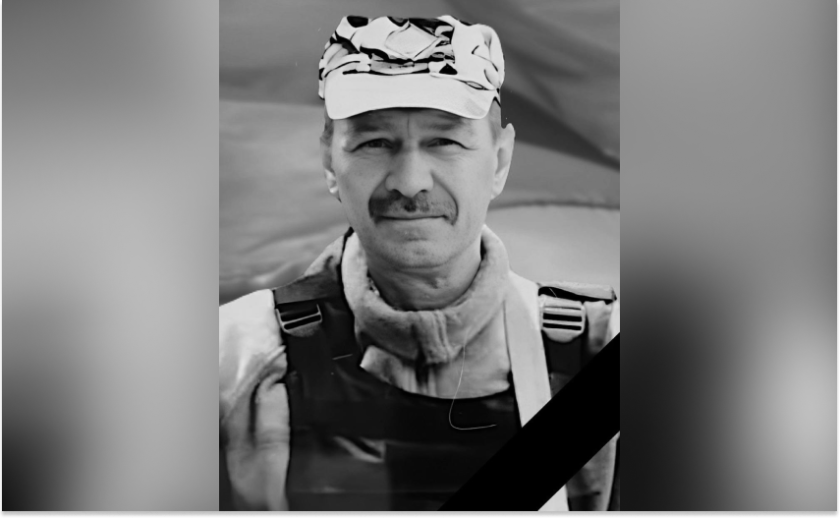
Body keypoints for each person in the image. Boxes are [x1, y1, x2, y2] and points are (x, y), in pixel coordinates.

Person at [219, 14, 619, 512]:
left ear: (499, 161)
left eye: (444, 142)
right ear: (329, 161)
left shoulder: (602, 349)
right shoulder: (235, 358)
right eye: (375, 143)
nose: (410, 182)